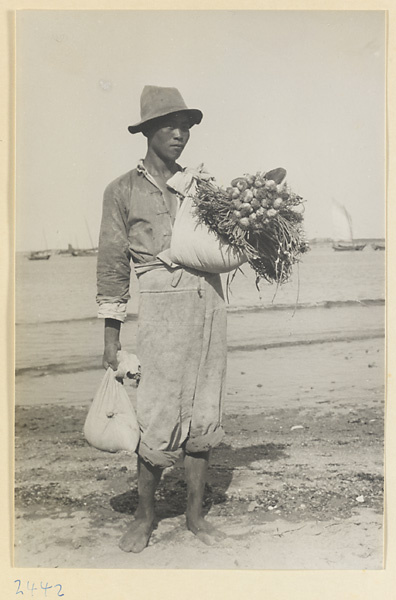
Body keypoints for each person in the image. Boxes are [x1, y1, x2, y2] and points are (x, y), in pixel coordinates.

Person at [96, 85, 227, 553]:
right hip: (160, 305)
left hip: (209, 300)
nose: (180, 134)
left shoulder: (202, 185)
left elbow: (224, 245)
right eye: (171, 125)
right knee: (155, 411)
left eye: (187, 126)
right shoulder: (122, 191)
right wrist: (111, 337)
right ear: (148, 130)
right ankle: (145, 516)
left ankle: (193, 516)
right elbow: (113, 266)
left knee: (203, 405)